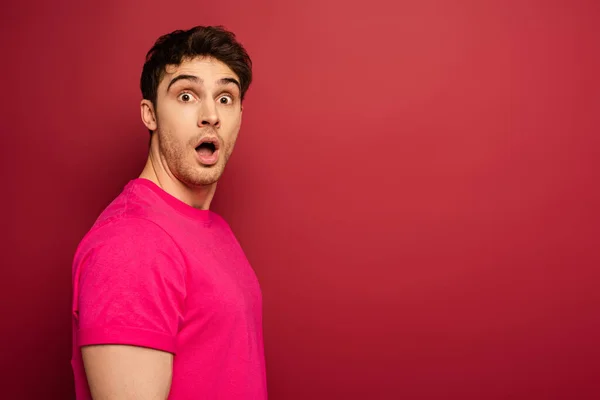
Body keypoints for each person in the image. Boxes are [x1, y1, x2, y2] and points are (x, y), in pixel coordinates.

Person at [70, 26, 267, 399]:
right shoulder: (131, 244)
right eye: (187, 95)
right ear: (150, 114)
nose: (211, 114)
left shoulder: (210, 228)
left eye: (225, 98)